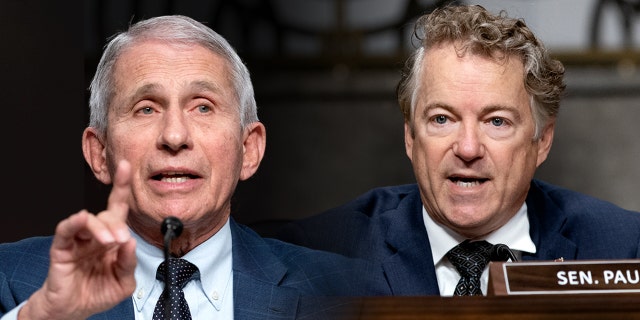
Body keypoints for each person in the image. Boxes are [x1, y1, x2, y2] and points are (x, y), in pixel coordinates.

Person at [0, 15, 389, 320]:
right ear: (99, 153)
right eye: (146, 108)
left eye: (203, 106)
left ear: (249, 149)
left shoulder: (343, 287)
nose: (174, 135)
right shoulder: (14, 280)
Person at [276, 4, 640, 297]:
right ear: (410, 137)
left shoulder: (623, 247)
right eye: (441, 119)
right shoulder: (318, 254)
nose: (467, 148)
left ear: (542, 140)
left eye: (496, 122)